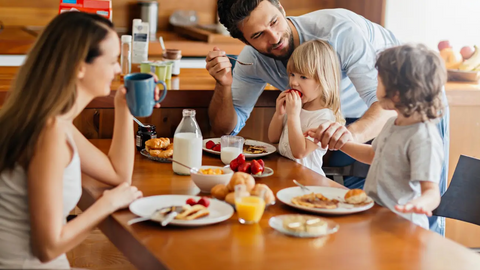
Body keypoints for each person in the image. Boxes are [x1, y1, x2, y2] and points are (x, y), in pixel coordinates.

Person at [206, 0, 449, 235]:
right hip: (367, 124)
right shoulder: (252, 59)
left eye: (274, 22)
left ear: (281, 8)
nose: (274, 37)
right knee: (368, 218)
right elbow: (226, 129)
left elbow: (384, 107)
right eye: (258, 35)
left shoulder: (340, 32)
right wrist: (224, 85)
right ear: (245, 41)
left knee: (422, 223)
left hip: (403, 107)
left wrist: (343, 133)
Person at [0, 12, 159, 268]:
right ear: (80, 66)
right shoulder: (48, 134)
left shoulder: (51, 121)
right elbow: (47, 247)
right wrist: (105, 205)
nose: (119, 69)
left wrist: (123, 107)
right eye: (113, 61)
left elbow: (118, 175)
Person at [339, 44, 445, 230]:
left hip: (404, 226)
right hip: (378, 217)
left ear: (397, 92)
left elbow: (432, 193)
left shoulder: (423, 137)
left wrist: (419, 204)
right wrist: (341, 144)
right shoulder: (392, 123)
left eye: (379, 80)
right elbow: (374, 155)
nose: (375, 86)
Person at [268, 40, 345, 176]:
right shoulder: (296, 106)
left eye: (303, 77)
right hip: (285, 174)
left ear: (323, 81)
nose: (293, 82)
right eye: (292, 74)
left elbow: (299, 152)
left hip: (307, 180)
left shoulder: (324, 117)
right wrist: (279, 114)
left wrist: (293, 116)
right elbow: (273, 138)